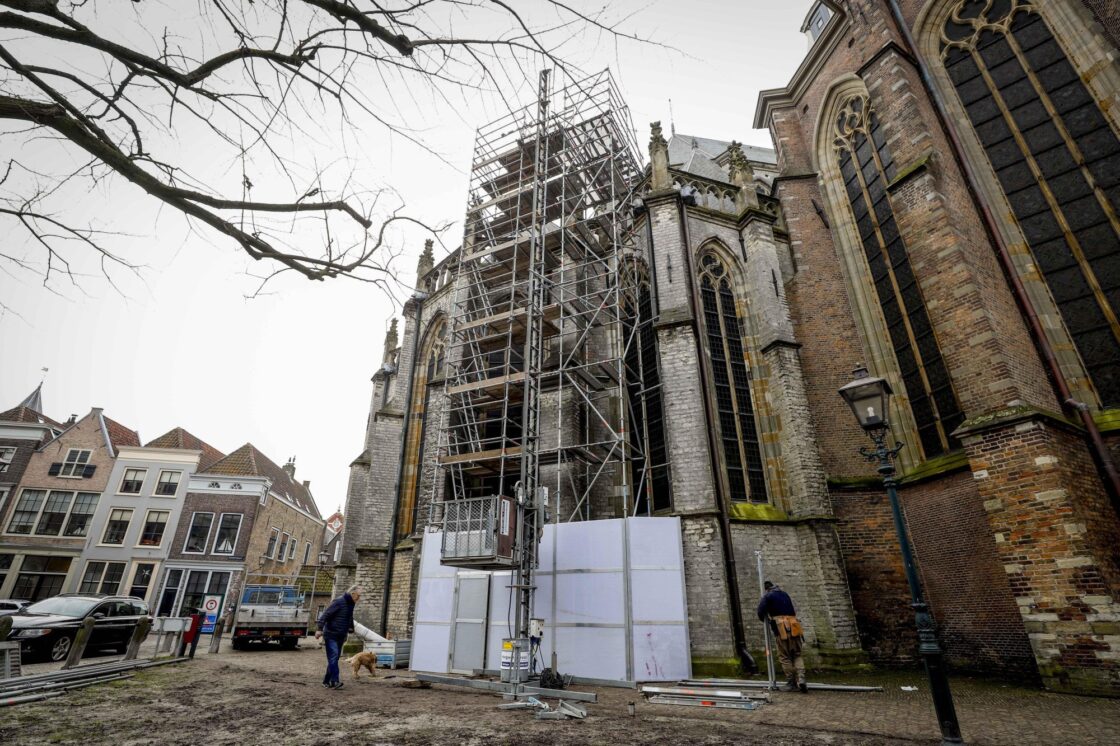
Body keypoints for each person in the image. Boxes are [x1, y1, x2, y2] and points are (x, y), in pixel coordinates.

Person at [757, 580, 807, 693]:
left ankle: (791, 682)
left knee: (784, 656)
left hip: (782, 629)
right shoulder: (785, 594)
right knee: (797, 654)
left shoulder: (768, 596)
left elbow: (760, 612)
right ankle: (801, 678)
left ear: (766, 589)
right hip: (794, 627)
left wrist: (767, 620)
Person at [316, 586, 360, 689]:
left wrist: (351, 628)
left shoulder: (351, 604)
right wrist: (319, 629)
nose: (359, 598)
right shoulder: (339, 601)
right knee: (334, 656)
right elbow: (326, 615)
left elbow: (349, 616)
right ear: (352, 594)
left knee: (334, 658)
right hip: (331, 634)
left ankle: (326, 681)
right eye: (358, 595)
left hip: (341, 635)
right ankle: (335, 681)